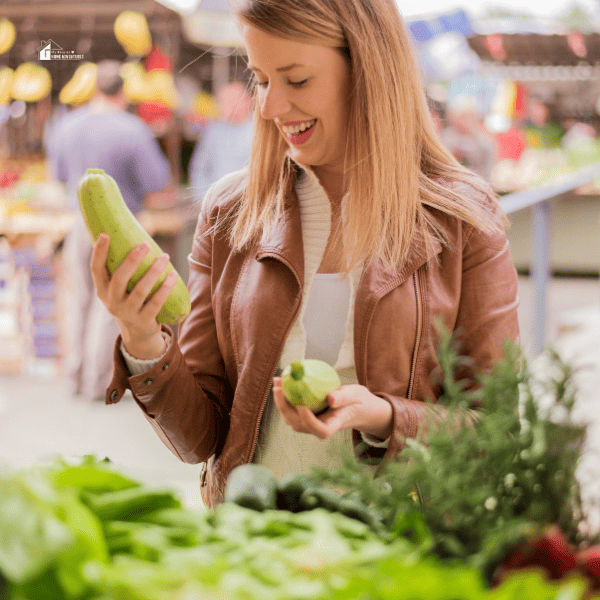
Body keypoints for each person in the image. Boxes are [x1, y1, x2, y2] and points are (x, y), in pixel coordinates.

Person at [91, 0, 520, 508]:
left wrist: (384, 416)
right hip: (259, 552)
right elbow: (201, 439)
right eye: (262, 80)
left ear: (369, 72)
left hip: (399, 550)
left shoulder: (463, 220)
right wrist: (144, 340)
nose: (270, 108)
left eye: (296, 81)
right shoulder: (230, 216)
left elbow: (495, 429)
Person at [55, 59, 172, 400]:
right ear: (122, 92)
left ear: (93, 90)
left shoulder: (66, 125)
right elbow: (156, 182)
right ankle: (98, 383)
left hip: (77, 223)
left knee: (78, 299)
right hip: (120, 230)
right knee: (110, 305)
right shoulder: (132, 129)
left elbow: (59, 176)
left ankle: (73, 378)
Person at [188, 81, 254, 201]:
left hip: (248, 203)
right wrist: (201, 198)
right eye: (224, 101)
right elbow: (199, 167)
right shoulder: (212, 131)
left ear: (247, 100)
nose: (226, 105)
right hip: (215, 204)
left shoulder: (258, 132)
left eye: (232, 101)